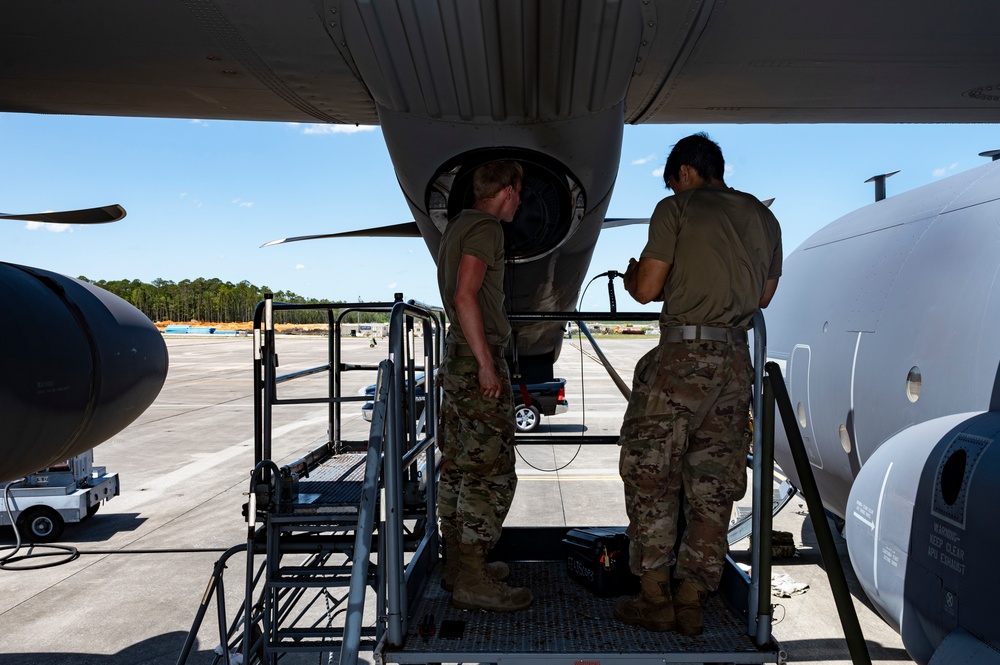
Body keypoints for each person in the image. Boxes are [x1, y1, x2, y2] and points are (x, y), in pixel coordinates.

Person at [614, 133, 782, 636]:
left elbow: (647, 289)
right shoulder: (762, 215)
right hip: (735, 362)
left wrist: (632, 278)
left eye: (673, 180)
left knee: (651, 477)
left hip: (682, 360)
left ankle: (655, 598)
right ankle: (692, 600)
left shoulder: (676, 208)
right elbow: (766, 296)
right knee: (713, 487)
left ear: (685, 172)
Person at [435, 160, 532, 612]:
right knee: (490, 471)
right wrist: (486, 363)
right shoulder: (487, 228)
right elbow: (464, 295)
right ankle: (473, 577)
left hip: (457, 359)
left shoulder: (457, 226)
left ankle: (458, 564)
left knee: (457, 464)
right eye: (519, 194)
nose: (519, 202)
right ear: (508, 191)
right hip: (474, 361)